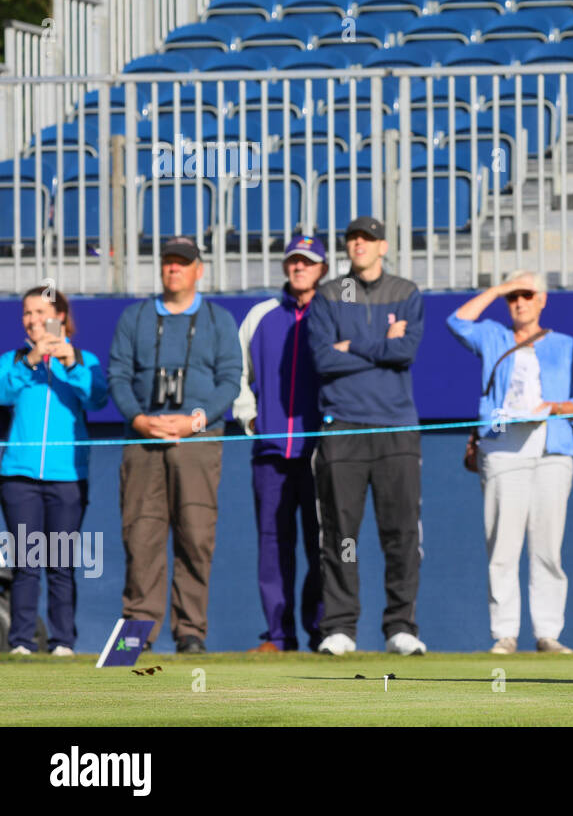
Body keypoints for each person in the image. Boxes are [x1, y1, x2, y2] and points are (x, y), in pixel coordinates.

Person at [108, 235, 243, 653]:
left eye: (182, 263)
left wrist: (195, 422)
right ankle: (135, 633)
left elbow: (230, 380)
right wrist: (139, 418)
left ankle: (190, 632)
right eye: (168, 262)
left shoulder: (220, 320)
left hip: (197, 442)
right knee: (141, 535)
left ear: (198, 270)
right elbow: (118, 375)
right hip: (143, 440)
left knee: (195, 535)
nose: (173, 269)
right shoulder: (136, 316)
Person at [448, 270, 573, 656]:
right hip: (501, 446)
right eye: (514, 297)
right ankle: (505, 633)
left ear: (542, 299)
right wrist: (496, 289)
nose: (520, 302)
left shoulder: (563, 344)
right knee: (503, 546)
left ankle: (547, 633)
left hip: (551, 448)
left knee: (547, 547)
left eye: (527, 295)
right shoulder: (492, 335)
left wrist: (556, 407)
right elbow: (457, 322)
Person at [308, 216, 427, 656]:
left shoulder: (406, 292)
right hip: (342, 427)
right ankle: (339, 627)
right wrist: (381, 346)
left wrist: (352, 345)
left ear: (384, 246)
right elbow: (323, 359)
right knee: (342, 534)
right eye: (353, 238)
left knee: (401, 534)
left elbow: (406, 352)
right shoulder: (328, 295)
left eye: (368, 238)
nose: (359, 244)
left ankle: (401, 626)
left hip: (396, 428)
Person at [232, 235, 328, 653]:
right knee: (273, 546)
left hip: (321, 452)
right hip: (271, 453)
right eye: (293, 261)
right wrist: (248, 416)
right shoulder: (261, 315)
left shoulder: (333, 314)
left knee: (323, 544)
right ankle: (279, 635)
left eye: (307, 261)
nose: (299, 268)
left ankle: (325, 630)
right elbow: (237, 373)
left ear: (322, 268)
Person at [0, 287, 108, 654]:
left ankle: (63, 642)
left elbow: (97, 396)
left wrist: (71, 363)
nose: (32, 320)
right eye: (26, 313)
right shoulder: (14, 360)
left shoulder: (83, 359)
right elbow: (2, 392)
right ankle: (21, 642)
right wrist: (31, 360)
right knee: (26, 562)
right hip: (19, 477)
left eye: (40, 312)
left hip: (67, 478)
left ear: (59, 317)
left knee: (60, 562)